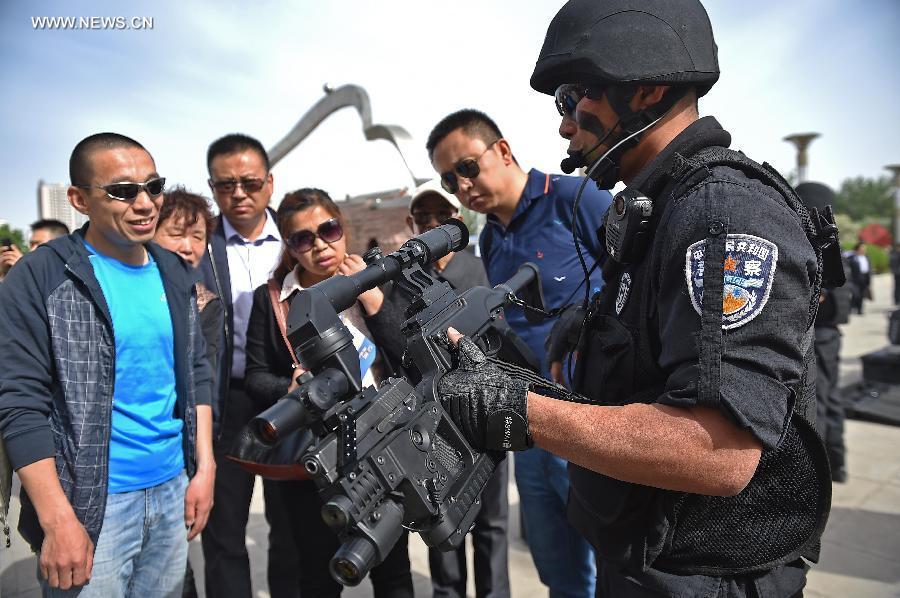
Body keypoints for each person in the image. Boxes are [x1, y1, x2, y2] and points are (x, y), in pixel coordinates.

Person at [435, 1, 834, 596]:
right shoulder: (654, 211)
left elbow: (718, 450)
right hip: (647, 554)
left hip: (704, 573)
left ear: (646, 87)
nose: (566, 126)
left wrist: (519, 408)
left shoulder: (721, 215)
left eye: (575, 98)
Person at [0, 132, 214, 596]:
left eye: (153, 187)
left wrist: (204, 470)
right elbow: (19, 403)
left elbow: (196, 372)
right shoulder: (41, 275)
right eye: (122, 191)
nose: (145, 203)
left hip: (171, 489)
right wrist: (57, 520)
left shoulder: (174, 271)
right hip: (89, 504)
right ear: (78, 199)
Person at [428, 109, 611, 597]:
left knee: (607, 564)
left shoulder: (577, 199)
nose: (462, 186)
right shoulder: (491, 238)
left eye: (468, 167)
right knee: (555, 564)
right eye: (449, 180)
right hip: (530, 421)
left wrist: (585, 322)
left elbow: (636, 285)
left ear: (502, 151)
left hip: (597, 419)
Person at [242, 188, 413, 598]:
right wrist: (291, 388)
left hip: (382, 446)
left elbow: (409, 354)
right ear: (290, 247)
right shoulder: (275, 300)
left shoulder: (375, 280)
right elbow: (254, 374)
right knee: (319, 573)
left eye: (328, 230)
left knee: (393, 572)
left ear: (343, 227)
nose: (319, 245)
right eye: (303, 238)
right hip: (315, 457)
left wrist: (374, 302)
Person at [199, 133, 299, 597]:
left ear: (270, 183)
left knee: (292, 530)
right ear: (212, 188)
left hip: (289, 395)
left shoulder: (300, 240)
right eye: (225, 185)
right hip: (226, 401)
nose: (238, 193)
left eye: (249, 182)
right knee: (224, 533)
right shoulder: (199, 247)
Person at [404, 179, 512, 598]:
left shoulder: (482, 268)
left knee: (492, 522)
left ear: (457, 219)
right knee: (440, 514)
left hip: (486, 411)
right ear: (411, 223)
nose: (431, 223)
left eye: (440, 216)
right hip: (436, 419)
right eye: (422, 217)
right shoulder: (407, 278)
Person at [153, 187, 225, 595]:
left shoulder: (204, 304)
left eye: (197, 236)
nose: (187, 246)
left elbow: (201, 382)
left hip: (177, 460)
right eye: (175, 233)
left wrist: (203, 467)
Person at [796, 182, 850, 484]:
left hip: (821, 336)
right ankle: (835, 464)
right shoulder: (829, 245)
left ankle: (825, 468)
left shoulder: (819, 248)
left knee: (821, 400)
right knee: (830, 398)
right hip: (828, 336)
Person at [0, 219, 70, 275]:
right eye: (31, 244)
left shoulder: (71, 274)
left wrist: (23, 268)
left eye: (39, 244)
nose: (32, 249)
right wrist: (6, 274)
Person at [848, 241, 871, 314]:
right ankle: (852, 306)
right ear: (857, 249)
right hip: (855, 279)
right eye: (862, 248)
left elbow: (869, 268)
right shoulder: (852, 258)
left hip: (864, 278)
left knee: (862, 295)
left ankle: (860, 309)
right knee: (856, 294)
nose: (863, 250)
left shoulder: (866, 257)